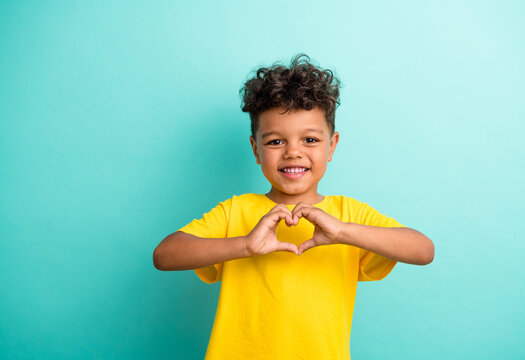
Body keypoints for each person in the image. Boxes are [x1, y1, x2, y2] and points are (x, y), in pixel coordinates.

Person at [153, 53, 435, 360]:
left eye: (310, 139)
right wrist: (246, 245)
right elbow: (165, 255)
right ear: (255, 149)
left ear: (332, 145)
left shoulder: (349, 215)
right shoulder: (236, 211)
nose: (293, 152)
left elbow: (422, 250)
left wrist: (342, 231)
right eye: (275, 142)